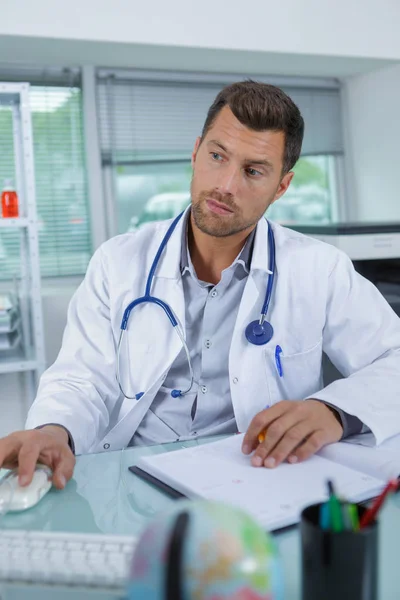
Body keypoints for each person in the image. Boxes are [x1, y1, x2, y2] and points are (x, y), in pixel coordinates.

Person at [1, 81, 400, 491]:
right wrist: (53, 433)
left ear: (282, 186)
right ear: (195, 153)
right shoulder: (117, 261)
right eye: (217, 156)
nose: (226, 185)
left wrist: (332, 411)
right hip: (132, 480)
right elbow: (81, 378)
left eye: (253, 170)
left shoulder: (321, 269)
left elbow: (394, 358)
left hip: (256, 479)